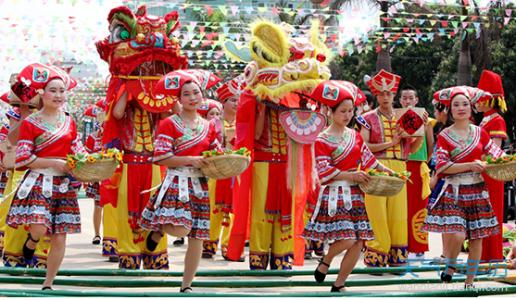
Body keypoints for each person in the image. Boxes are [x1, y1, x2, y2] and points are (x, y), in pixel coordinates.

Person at [304, 80, 394, 292]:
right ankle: (326, 260)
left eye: (350, 111)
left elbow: (370, 160)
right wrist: (352, 175)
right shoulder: (322, 139)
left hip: (355, 194)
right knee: (347, 239)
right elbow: (323, 171)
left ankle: (339, 283)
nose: (347, 115)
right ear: (330, 111)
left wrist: (390, 173)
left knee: (359, 242)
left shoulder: (354, 136)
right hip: (335, 194)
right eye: (342, 111)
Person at [141, 70, 221, 292]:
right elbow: (161, 157)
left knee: (198, 237)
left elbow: (216, 152)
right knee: (180, 230)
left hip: (200, 185)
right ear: (179, 99)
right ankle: (159, 229)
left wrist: (224, 159)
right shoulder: (169, 123)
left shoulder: (209, 126)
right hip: (177, 183)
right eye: (186, 94)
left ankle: (186, 285)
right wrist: (191, 160)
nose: (192, 97)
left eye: (196, 92)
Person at [6, 63, 82, 289]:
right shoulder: (30, 123)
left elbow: (77, 150)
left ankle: (48, 282)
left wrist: (91, 162)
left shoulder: (70, 121)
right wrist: (55, 163)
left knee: (60, 235)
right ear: (42, 93)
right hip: (39, 181)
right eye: (53, 90)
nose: (58, 95)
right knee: (39, 227)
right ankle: (32, 240)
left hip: (64, 186)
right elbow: (22, 159)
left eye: (62, 91)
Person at [422, 86, 505, 289]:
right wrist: (469, 165)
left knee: (477, 238)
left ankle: (470, 281)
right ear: (450, 110)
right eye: (456, 105)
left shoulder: (481, 133)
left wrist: (507, 161)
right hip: (455, 191)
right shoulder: (444, 135)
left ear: (471, 108)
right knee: (458, 234)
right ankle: (450, 265)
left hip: (477, 190)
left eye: (465, 104)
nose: (461, 108)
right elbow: (441, 166)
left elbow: (498, 156)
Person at [361, 70, 423, 268]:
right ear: (376, 95)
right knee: (376, 212)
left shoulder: (404, 116)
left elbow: (411, 149)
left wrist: (420, 132)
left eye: (388, 93)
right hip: (376, 167)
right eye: (381, 93)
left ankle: (397, 256)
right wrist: (390, 143)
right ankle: (377, 254)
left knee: (398, 214)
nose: (385, 97)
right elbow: (363, 146)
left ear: (393, 95)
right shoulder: (367, 117)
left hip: (399, 166)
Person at [202, 76, 244, 261]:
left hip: (236, 172)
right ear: (223, 102)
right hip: (216, 172)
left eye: (239, 100)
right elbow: (206, 144)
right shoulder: (213, 124)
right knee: (214, 208)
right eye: (233, 100)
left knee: (234, 210)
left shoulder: (243, 124)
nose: (237, 103)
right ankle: (208, 244)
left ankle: (229, 246)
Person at [475, 70, 508, 264]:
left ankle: (492, 255)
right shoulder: (485, 121)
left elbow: (495, 151)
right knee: (481, 214)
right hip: (481, 172)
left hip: (491, 174)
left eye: (480, 98)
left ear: (489, 99)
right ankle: (483, 256)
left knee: (491, 213)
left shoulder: (497, 120)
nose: (476, 102)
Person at [399, 87, 433, 258]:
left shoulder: (427, 120)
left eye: (410, 98)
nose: (407, 101)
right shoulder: (395, 119)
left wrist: (425, 162)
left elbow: (430, 144)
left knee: (420, 207)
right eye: (404, 98)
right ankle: (403, 245)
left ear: (417, 100)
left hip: (418, 166)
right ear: (400, 101)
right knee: (402, 207)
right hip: (401, 166)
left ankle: (419, 247)